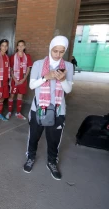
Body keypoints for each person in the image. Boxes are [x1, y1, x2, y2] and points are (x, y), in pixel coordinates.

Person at [23, 35, 73, 180]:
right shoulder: (39, 64)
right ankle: (30, 157)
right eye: (55, 51)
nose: (58, 54)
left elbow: (68, 90)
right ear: (50, 48)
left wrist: (63, 80)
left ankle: (52, 162)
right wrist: (46, 77)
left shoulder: (68, 66)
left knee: (54, 139)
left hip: (58, 110)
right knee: (33, 137)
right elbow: (32, 85)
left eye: (61, 51)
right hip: (39, 108)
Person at [7, 40, 33, 120]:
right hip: (14, 80)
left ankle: (18, 113)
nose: (21, 47)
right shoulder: (12, 57)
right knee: (12, 95)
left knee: (20, 96)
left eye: (22, 45)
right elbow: (10, 69)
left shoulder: (27, 56)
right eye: (19, 45)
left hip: (23, 80)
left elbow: (28, 68)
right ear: (17, 47)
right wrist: (15, 79)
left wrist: (24, 79)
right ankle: (9, 111)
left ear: (24, 47)